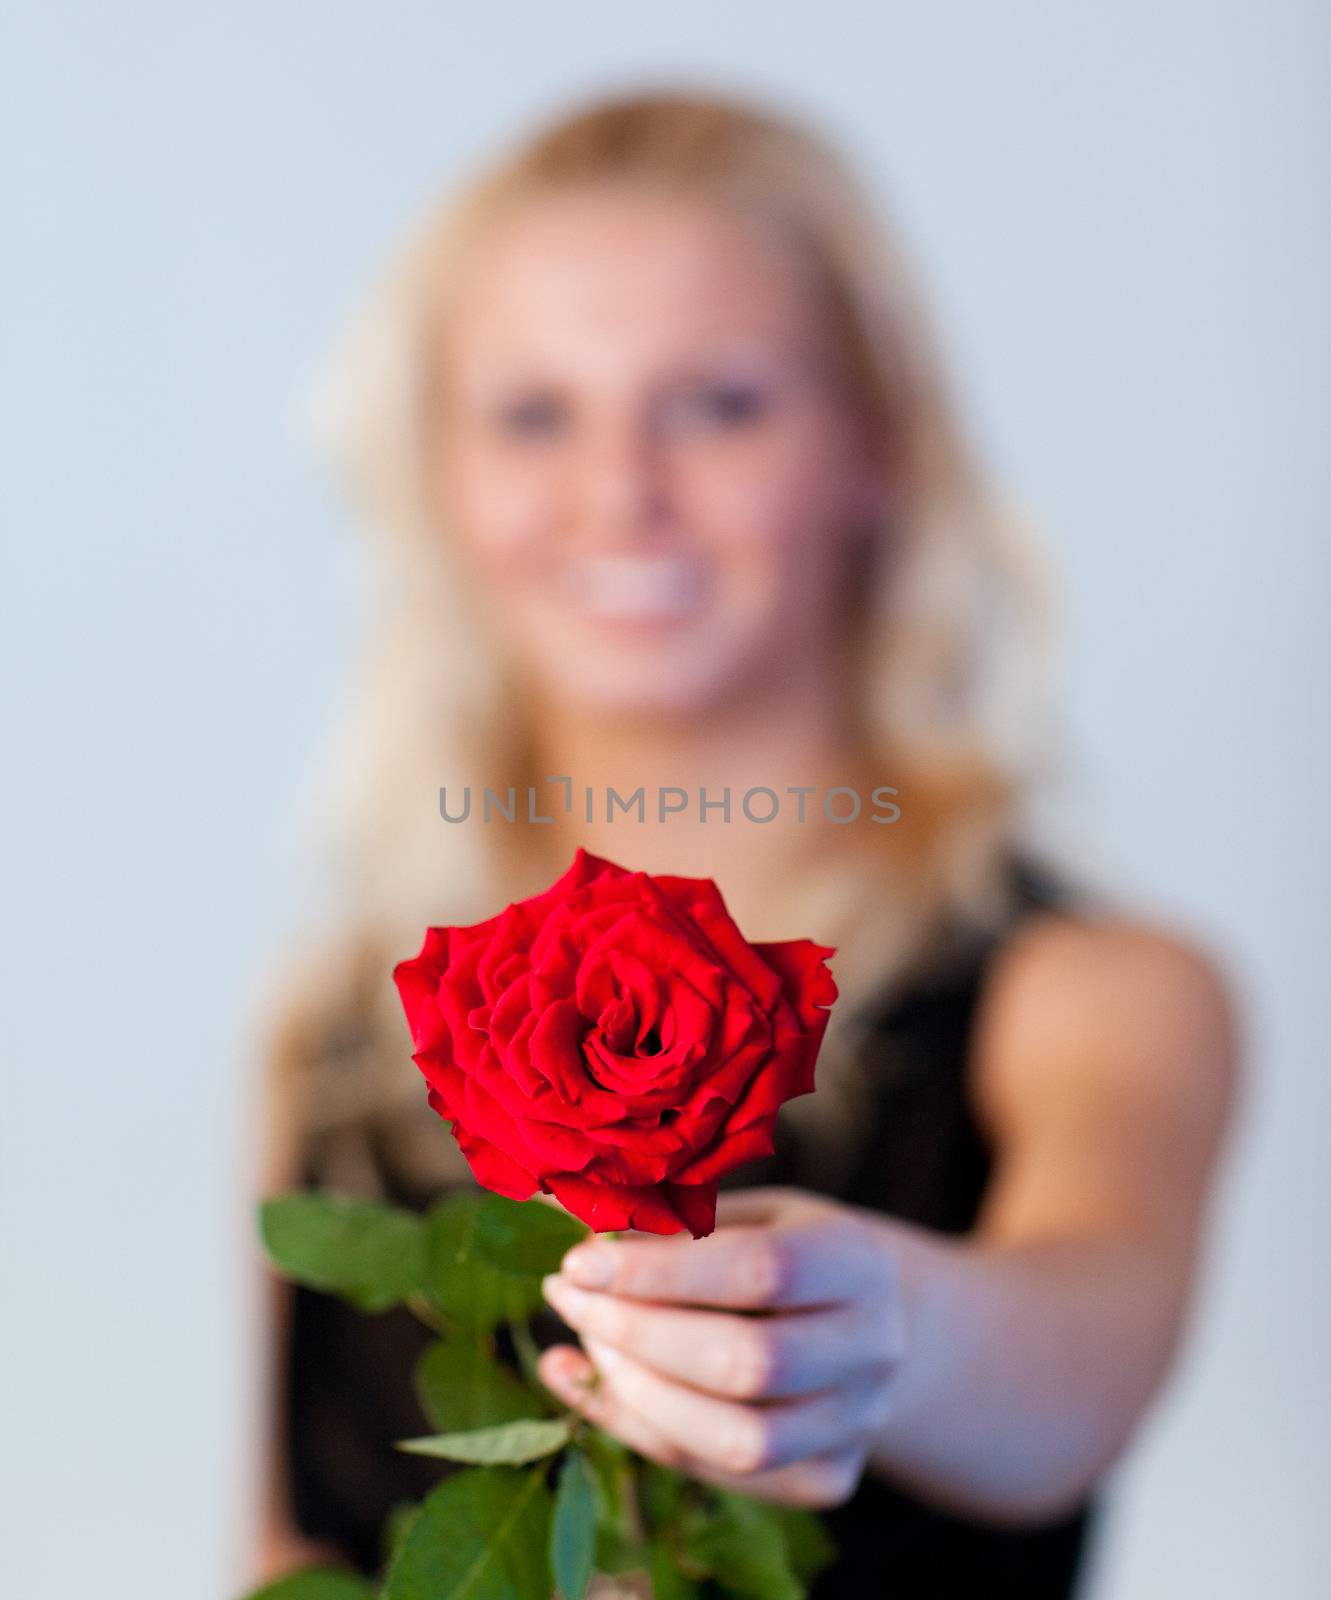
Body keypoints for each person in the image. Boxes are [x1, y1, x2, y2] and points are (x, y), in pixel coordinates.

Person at [245, 89, 1239, 1596]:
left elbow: (1073, 1371)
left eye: (718, 402)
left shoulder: (1098, 997)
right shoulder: (329, 1032)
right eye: (533, 413)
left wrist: (870, 1330)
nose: (620, 491)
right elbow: (282, 1563)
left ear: (874, 447)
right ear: (441, 479)